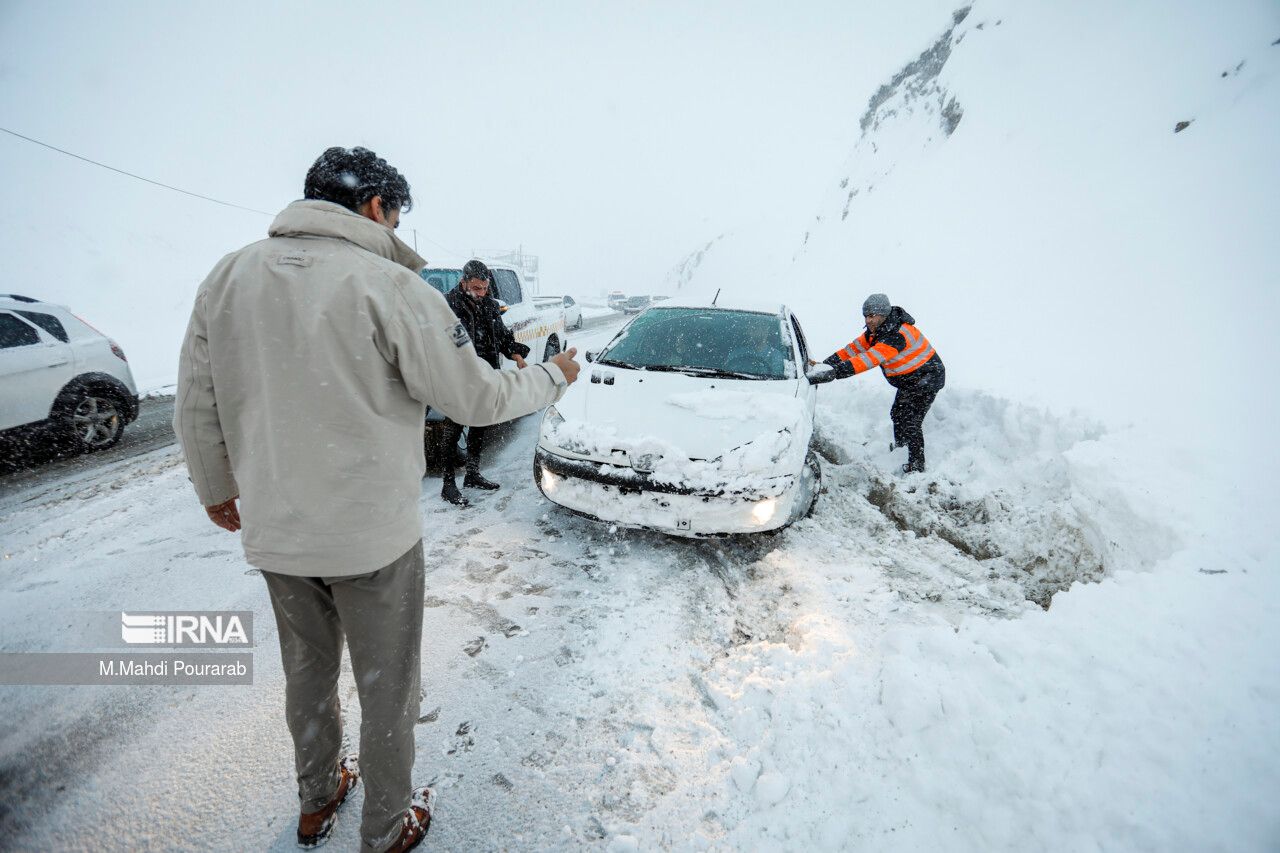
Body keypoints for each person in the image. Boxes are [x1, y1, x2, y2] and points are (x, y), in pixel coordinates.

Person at [173, 146, 580, 853]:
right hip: (372, 539)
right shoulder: (390, 287)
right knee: (387, 687)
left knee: (308, 673)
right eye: (398, 212)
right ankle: (386, 828)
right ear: (373, 206)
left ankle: (318, 793)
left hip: (277, 531)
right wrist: (552, 375)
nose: (397, 226)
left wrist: (215, 487)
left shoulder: (228, 276)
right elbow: (476, 397)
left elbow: (196, 399)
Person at [818, 292, 945, 474]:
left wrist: (835, 373)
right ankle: (900, 449)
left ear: (883, 315)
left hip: (928, 378)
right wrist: (825, 365)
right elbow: (851, 351)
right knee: (898, 413)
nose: (868, 320)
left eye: (871, 316)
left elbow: (869, 359)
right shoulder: (875, 332)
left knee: (911, 420)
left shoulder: (897, 335)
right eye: (865, 316)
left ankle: (917, 466)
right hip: (910, 380)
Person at [438, 259, 530, 506]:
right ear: (464, 281)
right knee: (454, 427)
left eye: (484, 288)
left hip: (486, 372)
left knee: (481, 422)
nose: (481, 293)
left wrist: (517, 355)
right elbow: (440, 343)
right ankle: (448, 484)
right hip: (458, 377)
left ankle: (472, 473)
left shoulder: (489, 305)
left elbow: (501, 335)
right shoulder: (447, 306)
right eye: (476, 288)